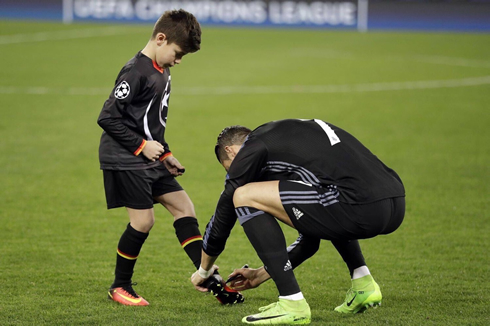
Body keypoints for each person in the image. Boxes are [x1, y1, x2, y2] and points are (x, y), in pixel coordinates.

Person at [191, 119, 405, 324]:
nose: (238, 174)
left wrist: (204, 271)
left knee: (243, 195)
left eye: (230, 169)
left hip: (359, 206)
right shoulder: (289, 138)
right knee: (330, 197)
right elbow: (311, 236)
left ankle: (291, 303)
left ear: (231, 151)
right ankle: (363, 283)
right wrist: (260, 274)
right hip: (394, 201)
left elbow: (224, 214)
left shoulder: (252, 148)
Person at [97, 9, 243, 306]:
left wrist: (165, 154)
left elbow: (151, 122)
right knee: (143, 222)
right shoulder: (135, 71)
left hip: (148, 156)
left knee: (184, 207)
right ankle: (120, 286)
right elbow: (108, 118)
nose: (178, 61)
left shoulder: (163, 70)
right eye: (178, 54)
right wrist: (141, 146)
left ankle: (208, 279)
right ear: (161, 39)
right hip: (124, 157)